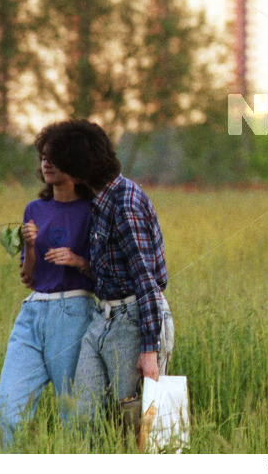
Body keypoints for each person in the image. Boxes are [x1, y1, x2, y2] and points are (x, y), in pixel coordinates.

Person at [44, 119, 174, 429]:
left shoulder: (125, 203)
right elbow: (108, 271)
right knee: (82, 421)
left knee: (132, 424)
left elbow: (147, 281)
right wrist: (77, 262)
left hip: (132, 321)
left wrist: (149, 351)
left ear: (79, 168)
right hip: (102, 319)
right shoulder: (99, 202)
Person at [0, 123, 96, 449]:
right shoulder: (35, 209)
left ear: (76, 164)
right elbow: (29, 278)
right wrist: (32, 248)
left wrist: (77, 260)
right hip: (33, 313)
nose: (46, 163)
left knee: (74, 414)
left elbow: (108, 272)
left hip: (74, 312)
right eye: (43, 157)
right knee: (8, 409)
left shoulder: (92, 211)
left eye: (55, 157)